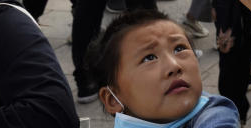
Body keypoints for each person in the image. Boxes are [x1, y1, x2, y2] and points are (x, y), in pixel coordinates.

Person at [86, 9, 240, 127]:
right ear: (113, 99)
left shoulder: (214, 114)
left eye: (179, 48)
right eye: (149, 58)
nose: (174, 66)